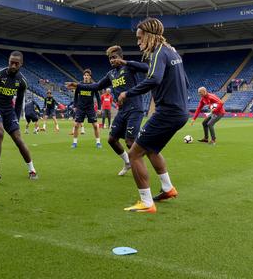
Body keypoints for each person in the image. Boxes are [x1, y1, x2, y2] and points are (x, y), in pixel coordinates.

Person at [114, 18, 189, 213]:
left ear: (149, 36)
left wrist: (127, 93)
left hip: (167, 112)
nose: (138, 42)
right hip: (180, 111)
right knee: (151, 149)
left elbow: (154, 78)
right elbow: (185, 81)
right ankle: (168, 188)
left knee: (134, 154)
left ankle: (146, 202)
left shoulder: (157, 52)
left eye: (140, 38)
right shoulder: (171, 51)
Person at [66, 46, 148, 176]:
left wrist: (125, 63)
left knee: (130, 142)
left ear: (121, 57)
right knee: (111, 139)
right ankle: (127, 162)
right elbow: (97, 86)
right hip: (122, 111)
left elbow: (146, 68)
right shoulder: (111, 74)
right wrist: (78, 85)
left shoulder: (129, 67)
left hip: (135, 108)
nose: (112, 60)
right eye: (110, 58)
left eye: (114, 57)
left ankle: (141, 171)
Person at [0, 51, 38, 182]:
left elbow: (19, 102)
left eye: (16, 63)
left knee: (18, 138)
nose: (13, 65)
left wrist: (15, 120)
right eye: (11, 62)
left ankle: (32, 170)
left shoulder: (22, 81)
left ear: (21, 64)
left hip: (8, 110)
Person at [71, 69, 102, 148]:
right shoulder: (79, 85)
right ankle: (74, 142)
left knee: (95, 125)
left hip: (90, 108)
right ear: (83, 76)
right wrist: (75, 106)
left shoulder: (93, 86)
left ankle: (98, 142)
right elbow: (75, 96)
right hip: (80, 108)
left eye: (87, 75)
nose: (86, 77)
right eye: (85, 75)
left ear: (90, 77)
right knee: (76, 125)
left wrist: (99, 108)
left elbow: (98, 97)